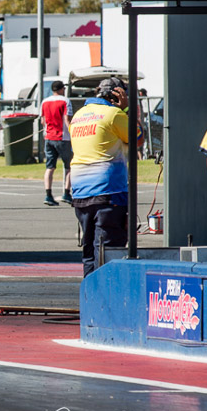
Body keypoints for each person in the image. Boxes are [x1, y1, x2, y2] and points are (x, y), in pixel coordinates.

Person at [69, 77, 130, 278]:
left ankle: (89, 291)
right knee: (108, 249)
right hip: (108, 191)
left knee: (89, 249)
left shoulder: (79, 115)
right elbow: (137, 137)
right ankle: (104, 292)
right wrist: (126, 109)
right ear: (117, 95)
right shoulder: (114, 114)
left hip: (80, 191)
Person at [40, 80, 73, 206]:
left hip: (49, 137)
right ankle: (66, 193)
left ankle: (48, 194)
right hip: (62, 137)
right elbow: (66, 119)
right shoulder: (65, 101)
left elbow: (43, 121)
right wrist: (72, 133)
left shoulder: (45, 101)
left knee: (50, 167)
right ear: (61, 89)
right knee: (69, 166)